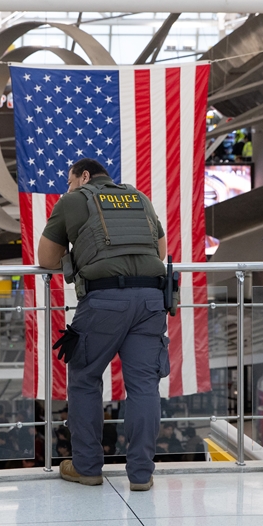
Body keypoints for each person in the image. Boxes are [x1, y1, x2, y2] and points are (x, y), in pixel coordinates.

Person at [38, 158, 169, 492]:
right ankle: (141, 474)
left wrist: (78, 254)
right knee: (143, 386)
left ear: (83, 177)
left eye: (69, 181)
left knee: (84, 380)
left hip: (104, 302)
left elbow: (46, 259)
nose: (67, 188)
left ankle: (88, 468)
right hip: (152, 299)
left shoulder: (72, 201)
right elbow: (161, 252)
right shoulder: (139, 197)